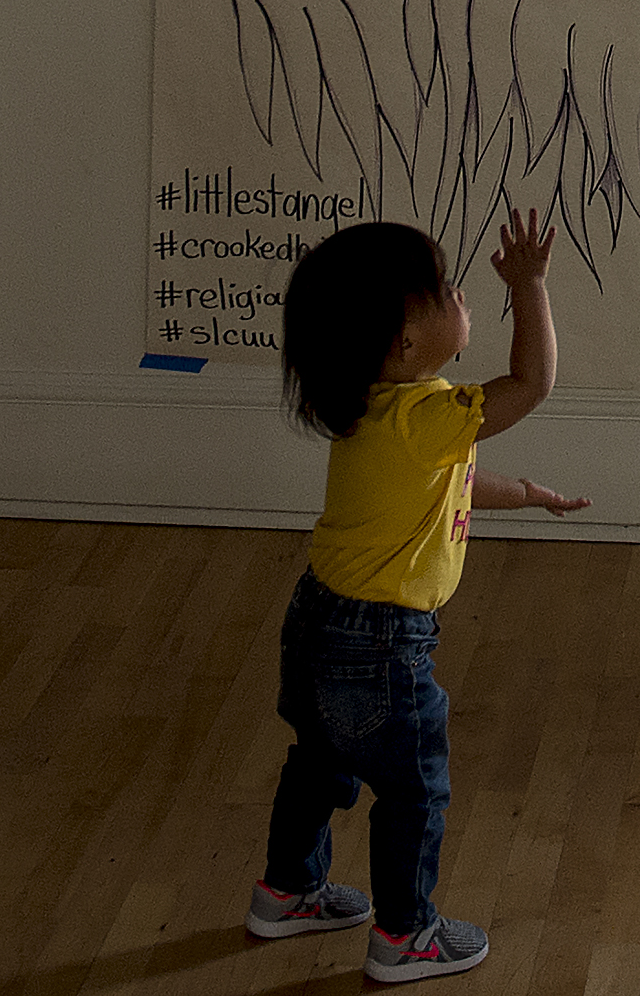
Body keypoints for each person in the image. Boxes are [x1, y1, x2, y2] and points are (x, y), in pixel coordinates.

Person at [248, 209, 586, 983]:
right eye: (442, 288)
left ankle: (286, 891)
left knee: (319, 762)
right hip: (381, 644)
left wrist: (529, 493)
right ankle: (405, 936)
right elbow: (532, 383)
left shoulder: (373, 410)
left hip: (317, 621)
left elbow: (448, 483)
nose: (460, 292)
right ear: (403, 343)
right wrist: (530, 288)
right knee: (414, 790)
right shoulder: (428, 414)